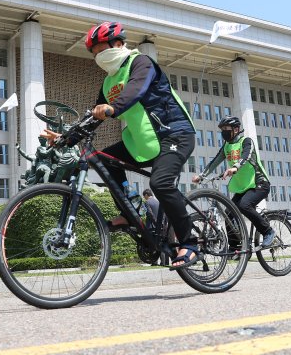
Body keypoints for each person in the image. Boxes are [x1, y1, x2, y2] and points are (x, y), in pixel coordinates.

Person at [42, 21, 198, 269]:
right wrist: (65, 138)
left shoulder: (141, 63)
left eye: (100, 50)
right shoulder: (108, 83)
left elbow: (136, 89)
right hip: (142, 143)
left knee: (160, 183)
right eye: (94, 54)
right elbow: (93, 117)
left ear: (118, 44)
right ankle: (130, 212)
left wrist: (113, 108)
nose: (98, 57)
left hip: (174, 135)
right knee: (102, 160)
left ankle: (189, 244)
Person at [192, 116, 275, 248]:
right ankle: (236, 247)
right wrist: (201, 176)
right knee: (229, 212)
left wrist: (235, 166)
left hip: (259, 184)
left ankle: (268, 231)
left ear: (236, 129)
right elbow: (215, 161)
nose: (224, 132)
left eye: (226, 129)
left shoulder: (246, 141)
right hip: (243, 188)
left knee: (244, 205)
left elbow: (246, 155)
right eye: (222, 129)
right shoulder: (227, 146)